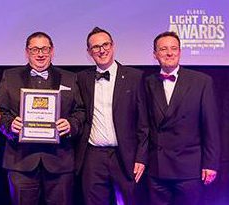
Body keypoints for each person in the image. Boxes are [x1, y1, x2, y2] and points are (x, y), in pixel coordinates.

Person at [0, 32, 85, 205]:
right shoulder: (10, 77)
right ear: (27, 52)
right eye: (35, 49)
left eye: (44, 49)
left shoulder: (69, 77)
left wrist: (70, 125)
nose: (40, 54)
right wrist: (10, 125)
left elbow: (80, 111)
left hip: (60, 162)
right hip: (21, 162)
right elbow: (1, 112)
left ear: (52, 51)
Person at [75, 27, 149, 205]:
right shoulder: (82, 78)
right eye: (96, 47)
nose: (102, 50)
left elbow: (144, 124)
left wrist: (141, 157)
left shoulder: (135, 77)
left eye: (105, 44)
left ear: (113, 46)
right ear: (89, 52)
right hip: (93, 156)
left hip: (126, 155)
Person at [145, 31, 220, 205]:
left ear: (180, 52)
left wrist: (211, 163)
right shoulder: (147, 82)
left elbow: (211, 126)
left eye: (174, 48)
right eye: (163, 49)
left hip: (189, 169)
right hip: (157, 168)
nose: (169, 53)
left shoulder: (201, 81)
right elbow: (143, 125)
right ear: (155, 54)